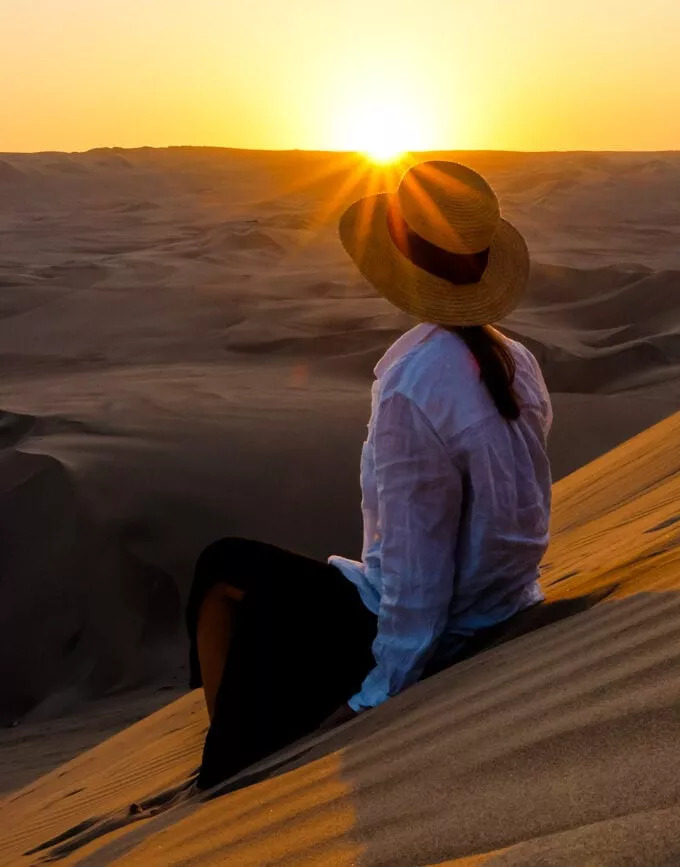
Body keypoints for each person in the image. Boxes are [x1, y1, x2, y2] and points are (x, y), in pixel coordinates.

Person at [186, 160, 553, 789]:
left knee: (222, 568)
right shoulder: (515, 358)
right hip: (505, 602)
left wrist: (377, 694)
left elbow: (418, 570)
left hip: (438, 627)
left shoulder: (414, 387)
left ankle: (226, 760)